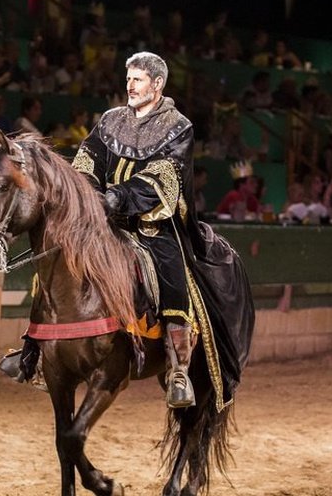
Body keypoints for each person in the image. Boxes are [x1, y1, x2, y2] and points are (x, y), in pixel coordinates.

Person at [63, 51, 253, 411]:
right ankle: (35, 350)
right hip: (106, 218)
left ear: (158, 84)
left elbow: (163, 177)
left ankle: (179, 366)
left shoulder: (178, 127)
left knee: (170, 269)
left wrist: (116, 197)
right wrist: (87, 192)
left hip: (152, 222)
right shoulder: (110, 119)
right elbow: (87, 159)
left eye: (137, 79)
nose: (130, 85)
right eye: (128, 78)